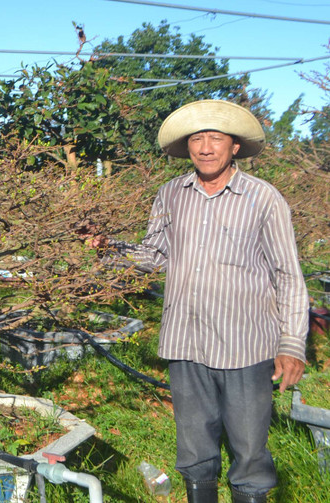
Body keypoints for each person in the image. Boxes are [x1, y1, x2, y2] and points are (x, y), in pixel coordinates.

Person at [97, 100, 309, 503]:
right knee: (194, 448)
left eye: (216, 138)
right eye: (197, 138)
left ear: (235, 147)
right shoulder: (171, 194)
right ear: (187, 147)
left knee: (249, 450)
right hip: (186, 341)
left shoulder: (263, 198)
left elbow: (288, 274)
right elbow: (155, 255)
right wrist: (108, 247)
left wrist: (291, 343)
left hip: (245, 344)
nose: (206, 147)